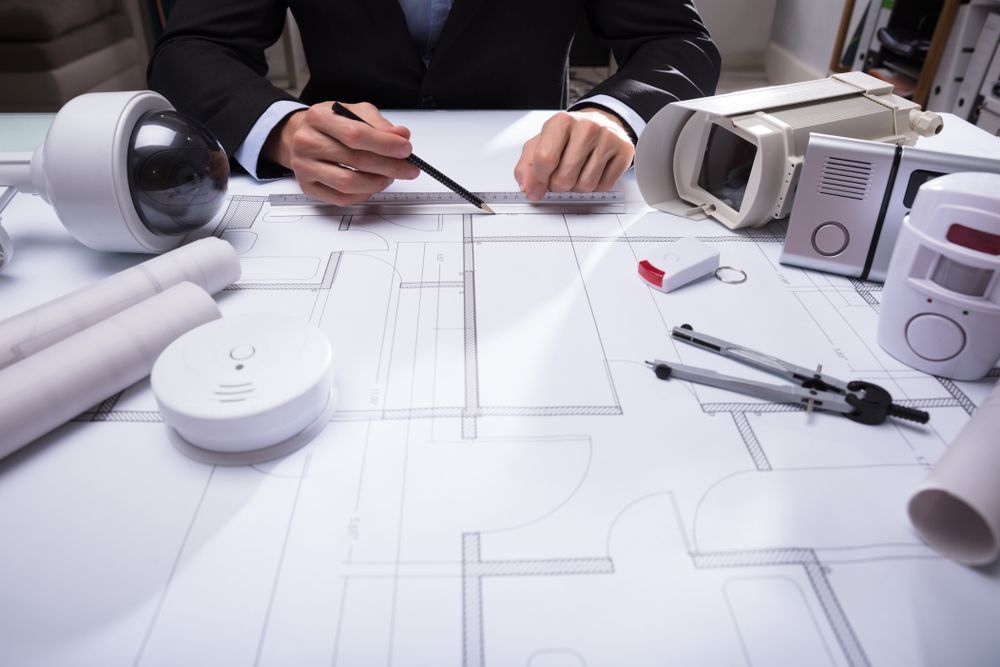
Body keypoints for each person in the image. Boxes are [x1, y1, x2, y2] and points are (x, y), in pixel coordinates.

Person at [148, 1, 721, 205]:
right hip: (328, 176)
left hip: (540, 166)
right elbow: (193, 46)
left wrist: (612, 113)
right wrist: (280, 129)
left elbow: (675, 40)